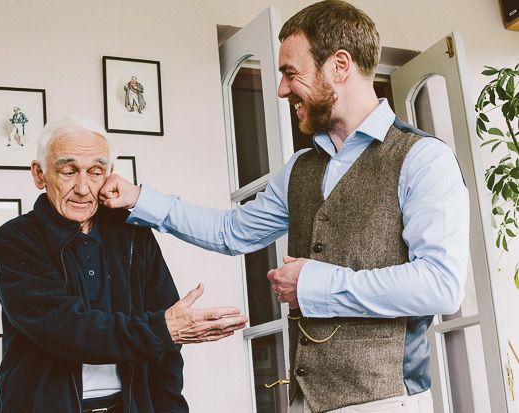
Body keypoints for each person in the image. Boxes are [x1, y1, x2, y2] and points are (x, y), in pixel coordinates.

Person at [100, 1, 469, 412]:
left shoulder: (423, 159)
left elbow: (441, 284)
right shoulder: (300, 167)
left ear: (340, 65)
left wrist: (314, 284)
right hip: (302, 402)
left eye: (291, 73)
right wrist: (139, 199)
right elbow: (231, 231)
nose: (280, 89)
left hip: (387, 403)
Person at [0, 116, 247, 413]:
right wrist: (162, 330)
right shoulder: (15, 240)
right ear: (40, 174)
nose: (83, 187)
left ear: (110, 174)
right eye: (68, 171)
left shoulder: (133, 233)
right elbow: (66, 328)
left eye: (95, 172)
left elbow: (167, 349)